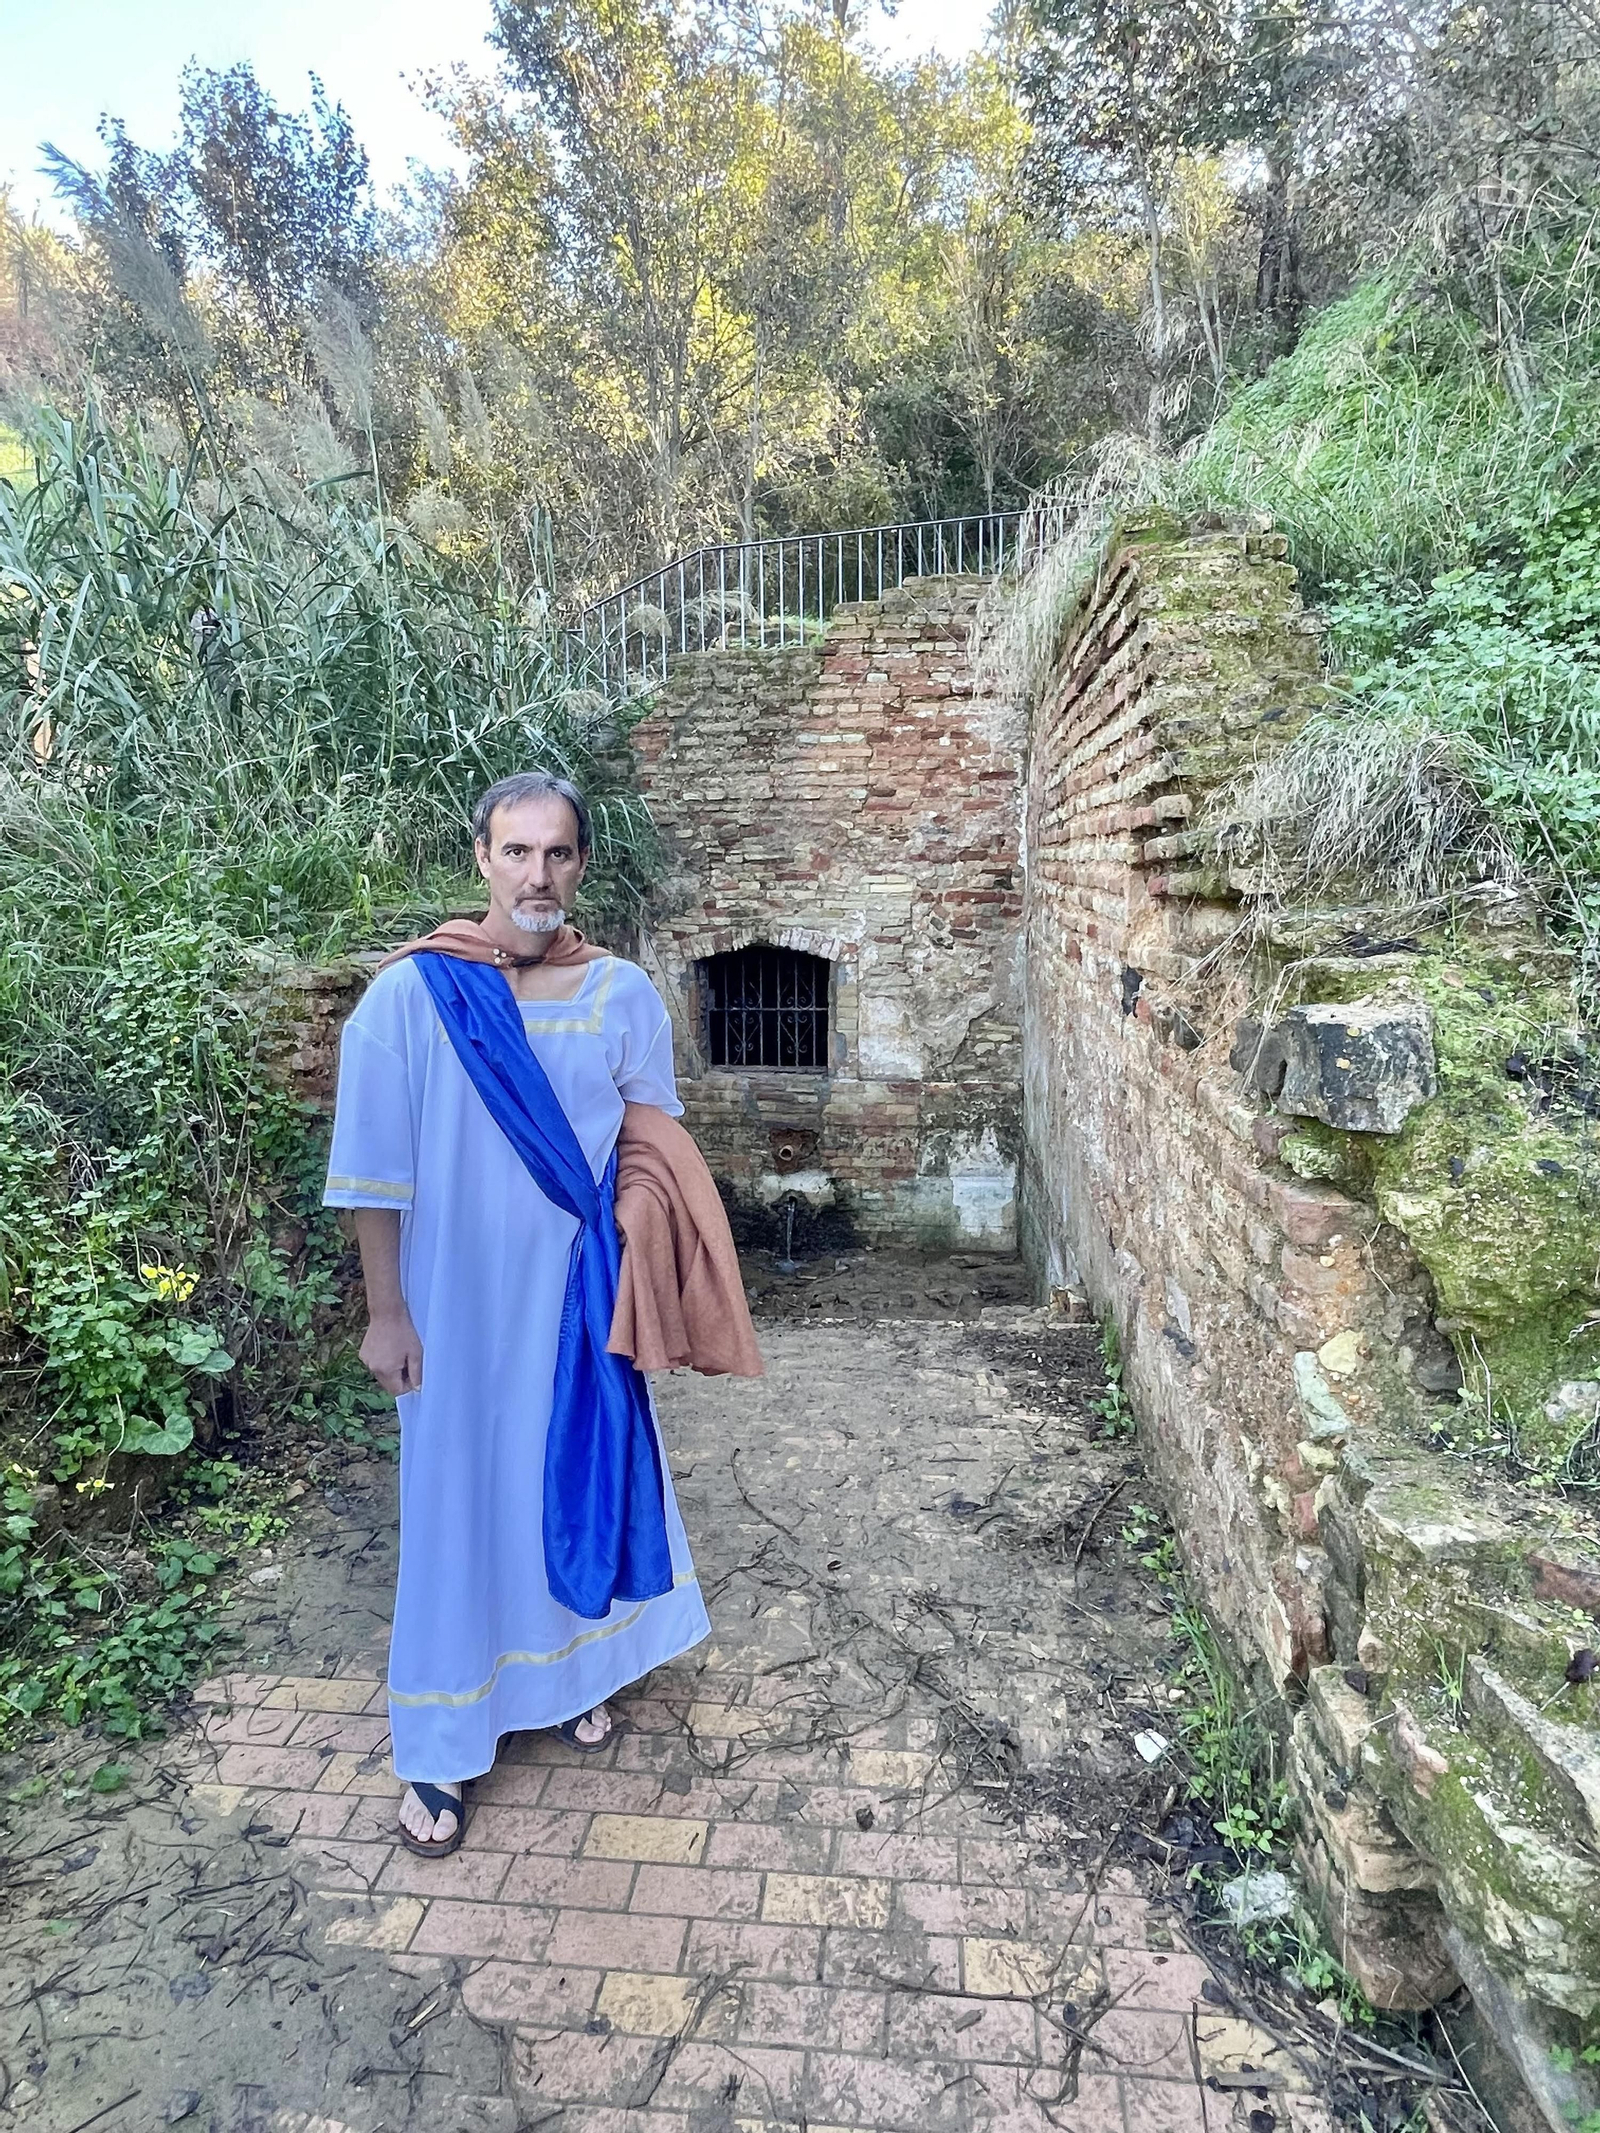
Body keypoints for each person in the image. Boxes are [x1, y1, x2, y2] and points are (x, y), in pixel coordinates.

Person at [323, 772, 719, 1856]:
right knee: (457, 1506)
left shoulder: (622, 993)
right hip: (449, 1305)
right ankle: (443, 1747)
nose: (536, 874)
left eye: (557, 854)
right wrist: (387, 1313)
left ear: (580, 865)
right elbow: (371, 1176)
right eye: (516, 852)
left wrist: (637, 1240)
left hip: (572, 1302)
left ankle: (569, 1680)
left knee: (570, 1484)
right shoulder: (413, 996)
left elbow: (650, 1142)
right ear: (481, 858)